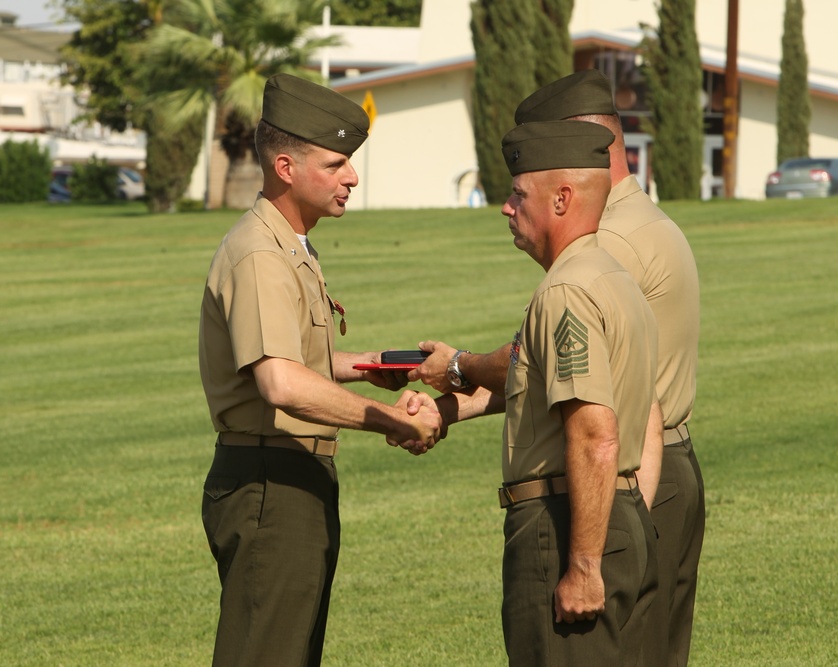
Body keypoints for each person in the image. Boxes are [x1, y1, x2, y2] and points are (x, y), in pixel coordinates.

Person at [410, 69, 704, 666]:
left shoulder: (581, 275)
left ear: (565, 187)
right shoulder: (618, 258)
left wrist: (459, 370)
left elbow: (594, 427)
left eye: (520, 191)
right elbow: (606, 393)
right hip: (632, 487)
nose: (506, 207)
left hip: (578, 504)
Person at [199, 73, 441, 667]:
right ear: (285, 167)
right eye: (335, 164)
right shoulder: (261, 253)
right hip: (269, 480)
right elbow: (279, 382)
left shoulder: (290, 243)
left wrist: (365, 366)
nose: (351, 177)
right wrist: (391, 420)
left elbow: (290, 357)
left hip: (287, 475)